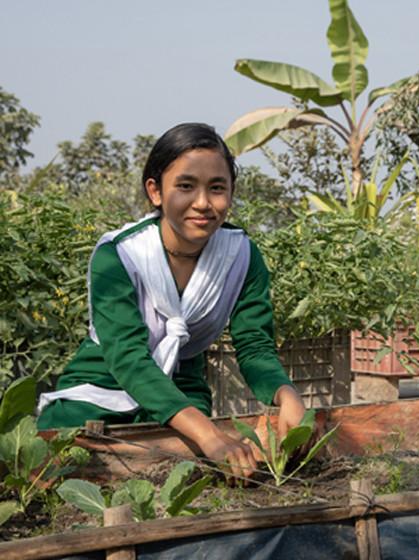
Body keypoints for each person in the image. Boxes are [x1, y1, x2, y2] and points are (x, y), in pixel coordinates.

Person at [37, 123, 306, 478]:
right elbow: (129, 359)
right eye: (185, 186)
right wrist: (210, 435)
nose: (203, 203)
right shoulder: (121, 255)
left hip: (183, 393)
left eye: (217, 188)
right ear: (155, 191)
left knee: (193, 478)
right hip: (100, 388)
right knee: (61, 468)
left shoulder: (241, 256)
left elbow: (255, 346)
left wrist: (287, 395)